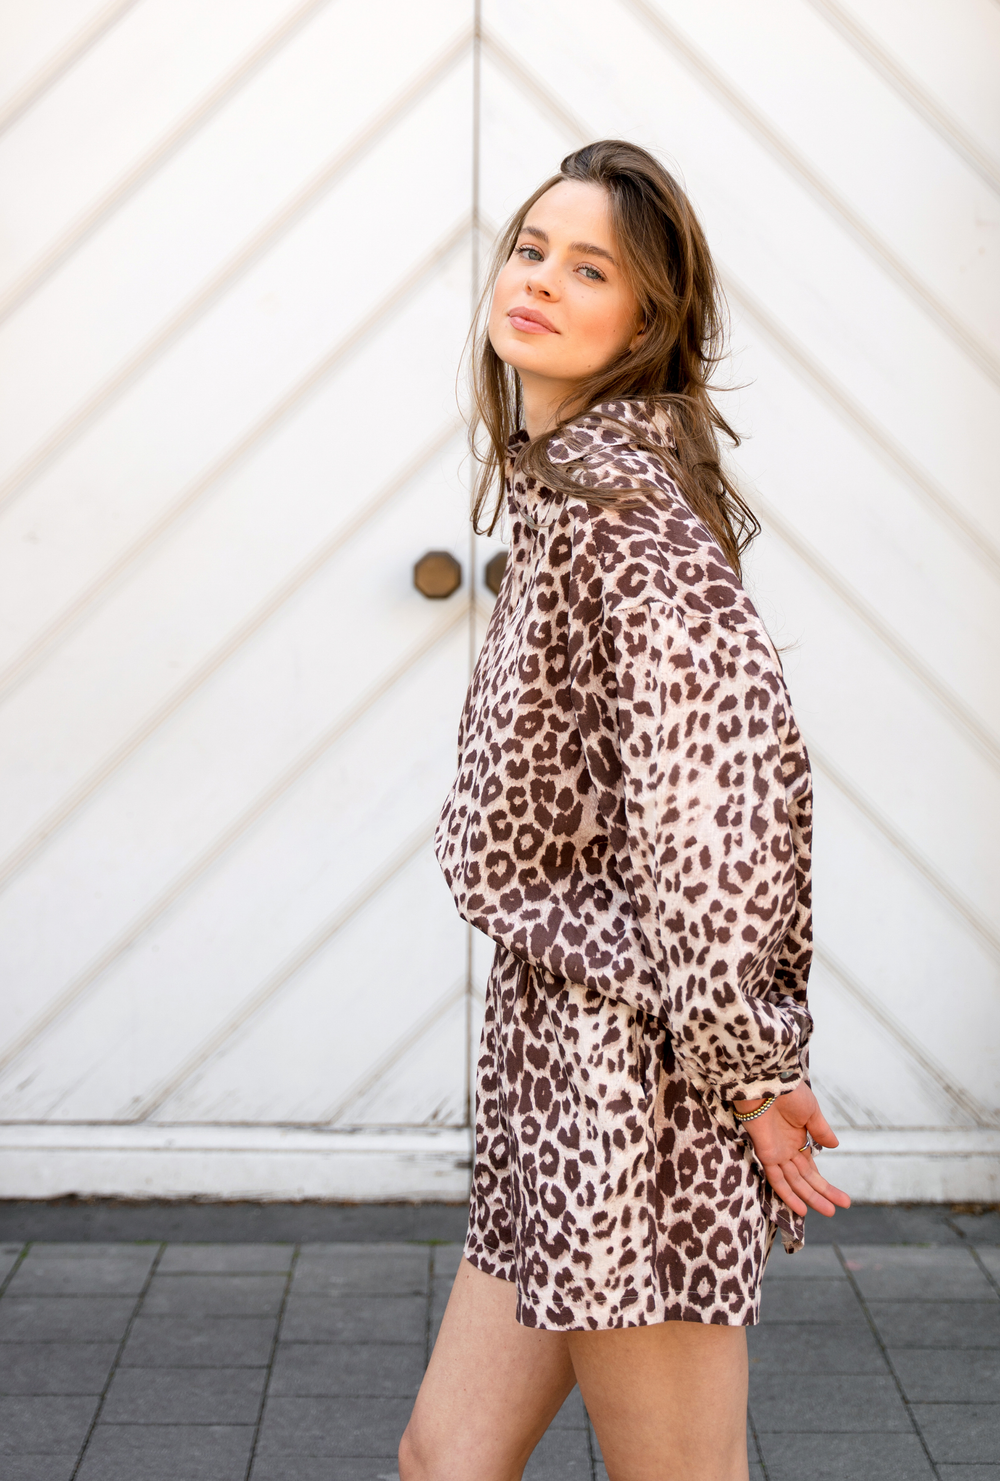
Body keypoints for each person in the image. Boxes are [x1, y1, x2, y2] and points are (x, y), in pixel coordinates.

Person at [399, 139, 850, 1481]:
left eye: (589, 269)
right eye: (530, 248)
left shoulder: (628, 523)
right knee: (445, 1460)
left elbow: (727, 804)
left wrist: (750, 1062)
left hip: (636, 1093)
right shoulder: (564, 498)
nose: (539, 279)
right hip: (556, 1072)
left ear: (646, 322)